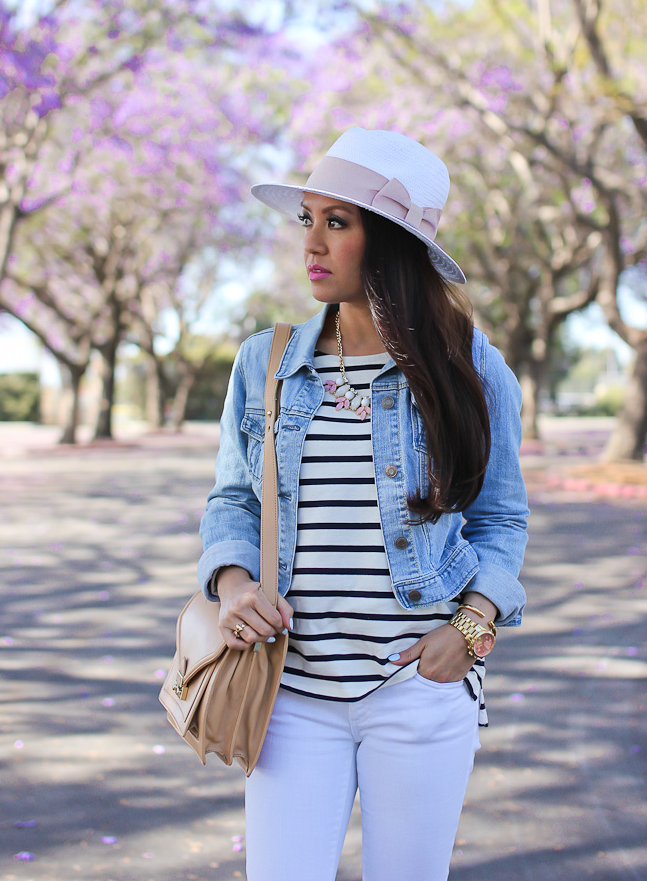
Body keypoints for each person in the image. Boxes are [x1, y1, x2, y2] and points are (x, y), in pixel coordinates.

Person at [197, 127, 529, 881]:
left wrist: (471, 630)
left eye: (336, 222)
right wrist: (234, 584)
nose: (310, 243)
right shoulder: (268, 360)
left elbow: (501, 518)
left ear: (389, 243)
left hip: (417, 691)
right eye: (306, 218)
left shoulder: (473, 368)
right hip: (292, 694)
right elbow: (232, 500)